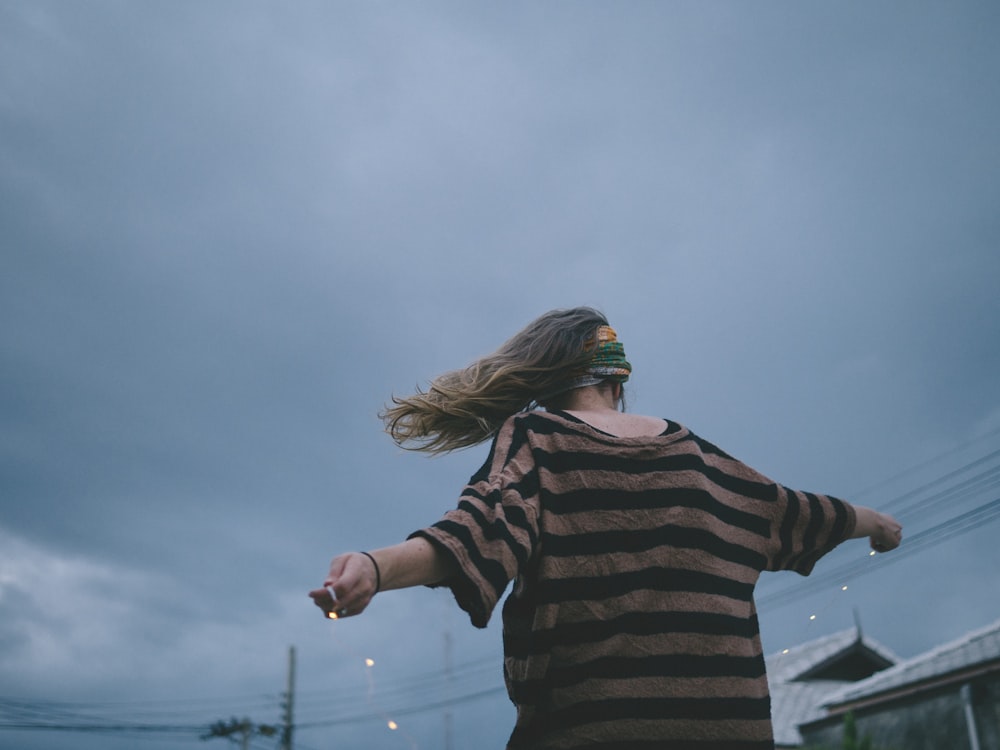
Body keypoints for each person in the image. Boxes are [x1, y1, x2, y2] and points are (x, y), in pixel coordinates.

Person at [309, 307, 902, 750]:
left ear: (547, 383)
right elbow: (805, 513)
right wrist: (877, 523)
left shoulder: (539, 441)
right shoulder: (704, 459)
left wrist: (375, 566)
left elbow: (474, 534)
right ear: (617, 383)